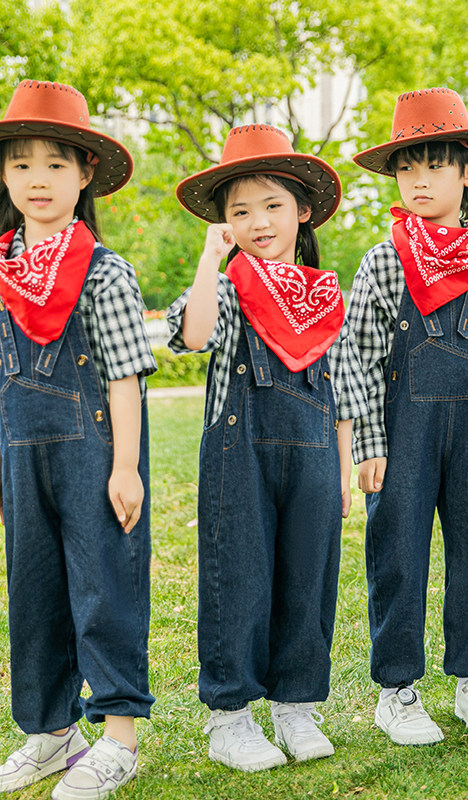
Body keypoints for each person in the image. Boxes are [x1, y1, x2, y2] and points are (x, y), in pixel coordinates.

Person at [167, 124, 366, 769]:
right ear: (225, 223)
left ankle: (297, 707)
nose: (258, 222)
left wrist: (340, 471)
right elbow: (193, 337)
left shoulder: (324, 295)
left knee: (308, 579)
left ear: (302, 212)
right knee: (239, 578)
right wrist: (207, 257)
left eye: (272, 206)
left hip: (313, 451)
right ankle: (230, 716)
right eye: (239, 211)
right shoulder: (226, 289)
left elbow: (338, 389)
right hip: (238, 454)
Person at [344, 87, 468, 745]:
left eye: (434, 166)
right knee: (397, 555)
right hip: (401, 436)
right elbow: (358, 360)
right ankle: (397, 690)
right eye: (406, 168)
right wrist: (368, 441)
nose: (418, 181)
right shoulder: (381, 262)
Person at [0, 80, 155, 798]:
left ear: (85, 174)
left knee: (104, 589)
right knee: (33, 594)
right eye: (22, 162)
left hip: (95, 455)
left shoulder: (105, 272)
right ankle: (52, 734)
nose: (38, 178)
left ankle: (118, 737)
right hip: (19, 454)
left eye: (56, 163)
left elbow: (125, 377)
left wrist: (125, 466)